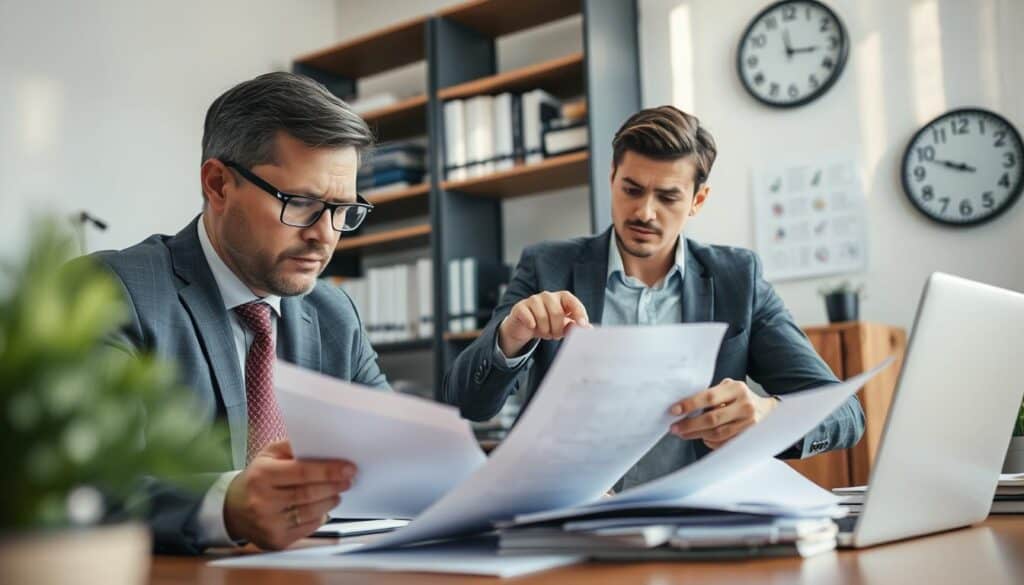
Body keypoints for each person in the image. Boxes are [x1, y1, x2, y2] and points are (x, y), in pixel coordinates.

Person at [441, 105, 864, 491]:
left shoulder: (739, 279)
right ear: (611, 179)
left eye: (667, 196)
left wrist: (768, 415)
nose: (645, 211)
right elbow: (467, 404)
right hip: (569, 518)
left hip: (698, 521)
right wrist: (510, 337)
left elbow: (846, 414)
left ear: (697, 200)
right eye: (632, 189)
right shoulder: (546, 266)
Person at [94, 72, 386, 553]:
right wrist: (226, 504)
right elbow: (87, 482)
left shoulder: (334, 313)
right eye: (302, 203)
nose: (325, 235)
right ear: (218, 184)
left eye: (342, 209)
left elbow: (393, 455)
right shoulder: (114, 292)